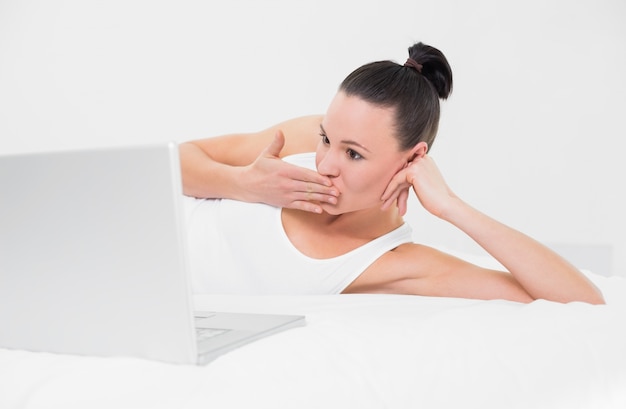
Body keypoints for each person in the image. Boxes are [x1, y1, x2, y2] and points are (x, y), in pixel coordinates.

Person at [179, 42, 604, 304]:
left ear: (410, 160)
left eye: (355, 155)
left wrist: (451, 207)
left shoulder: (392, 263)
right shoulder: (301, 141)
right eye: (327, 138)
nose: (325, 163)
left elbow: (581, 300)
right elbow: (175, 162)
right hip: (136, 229)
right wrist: (244, 185)